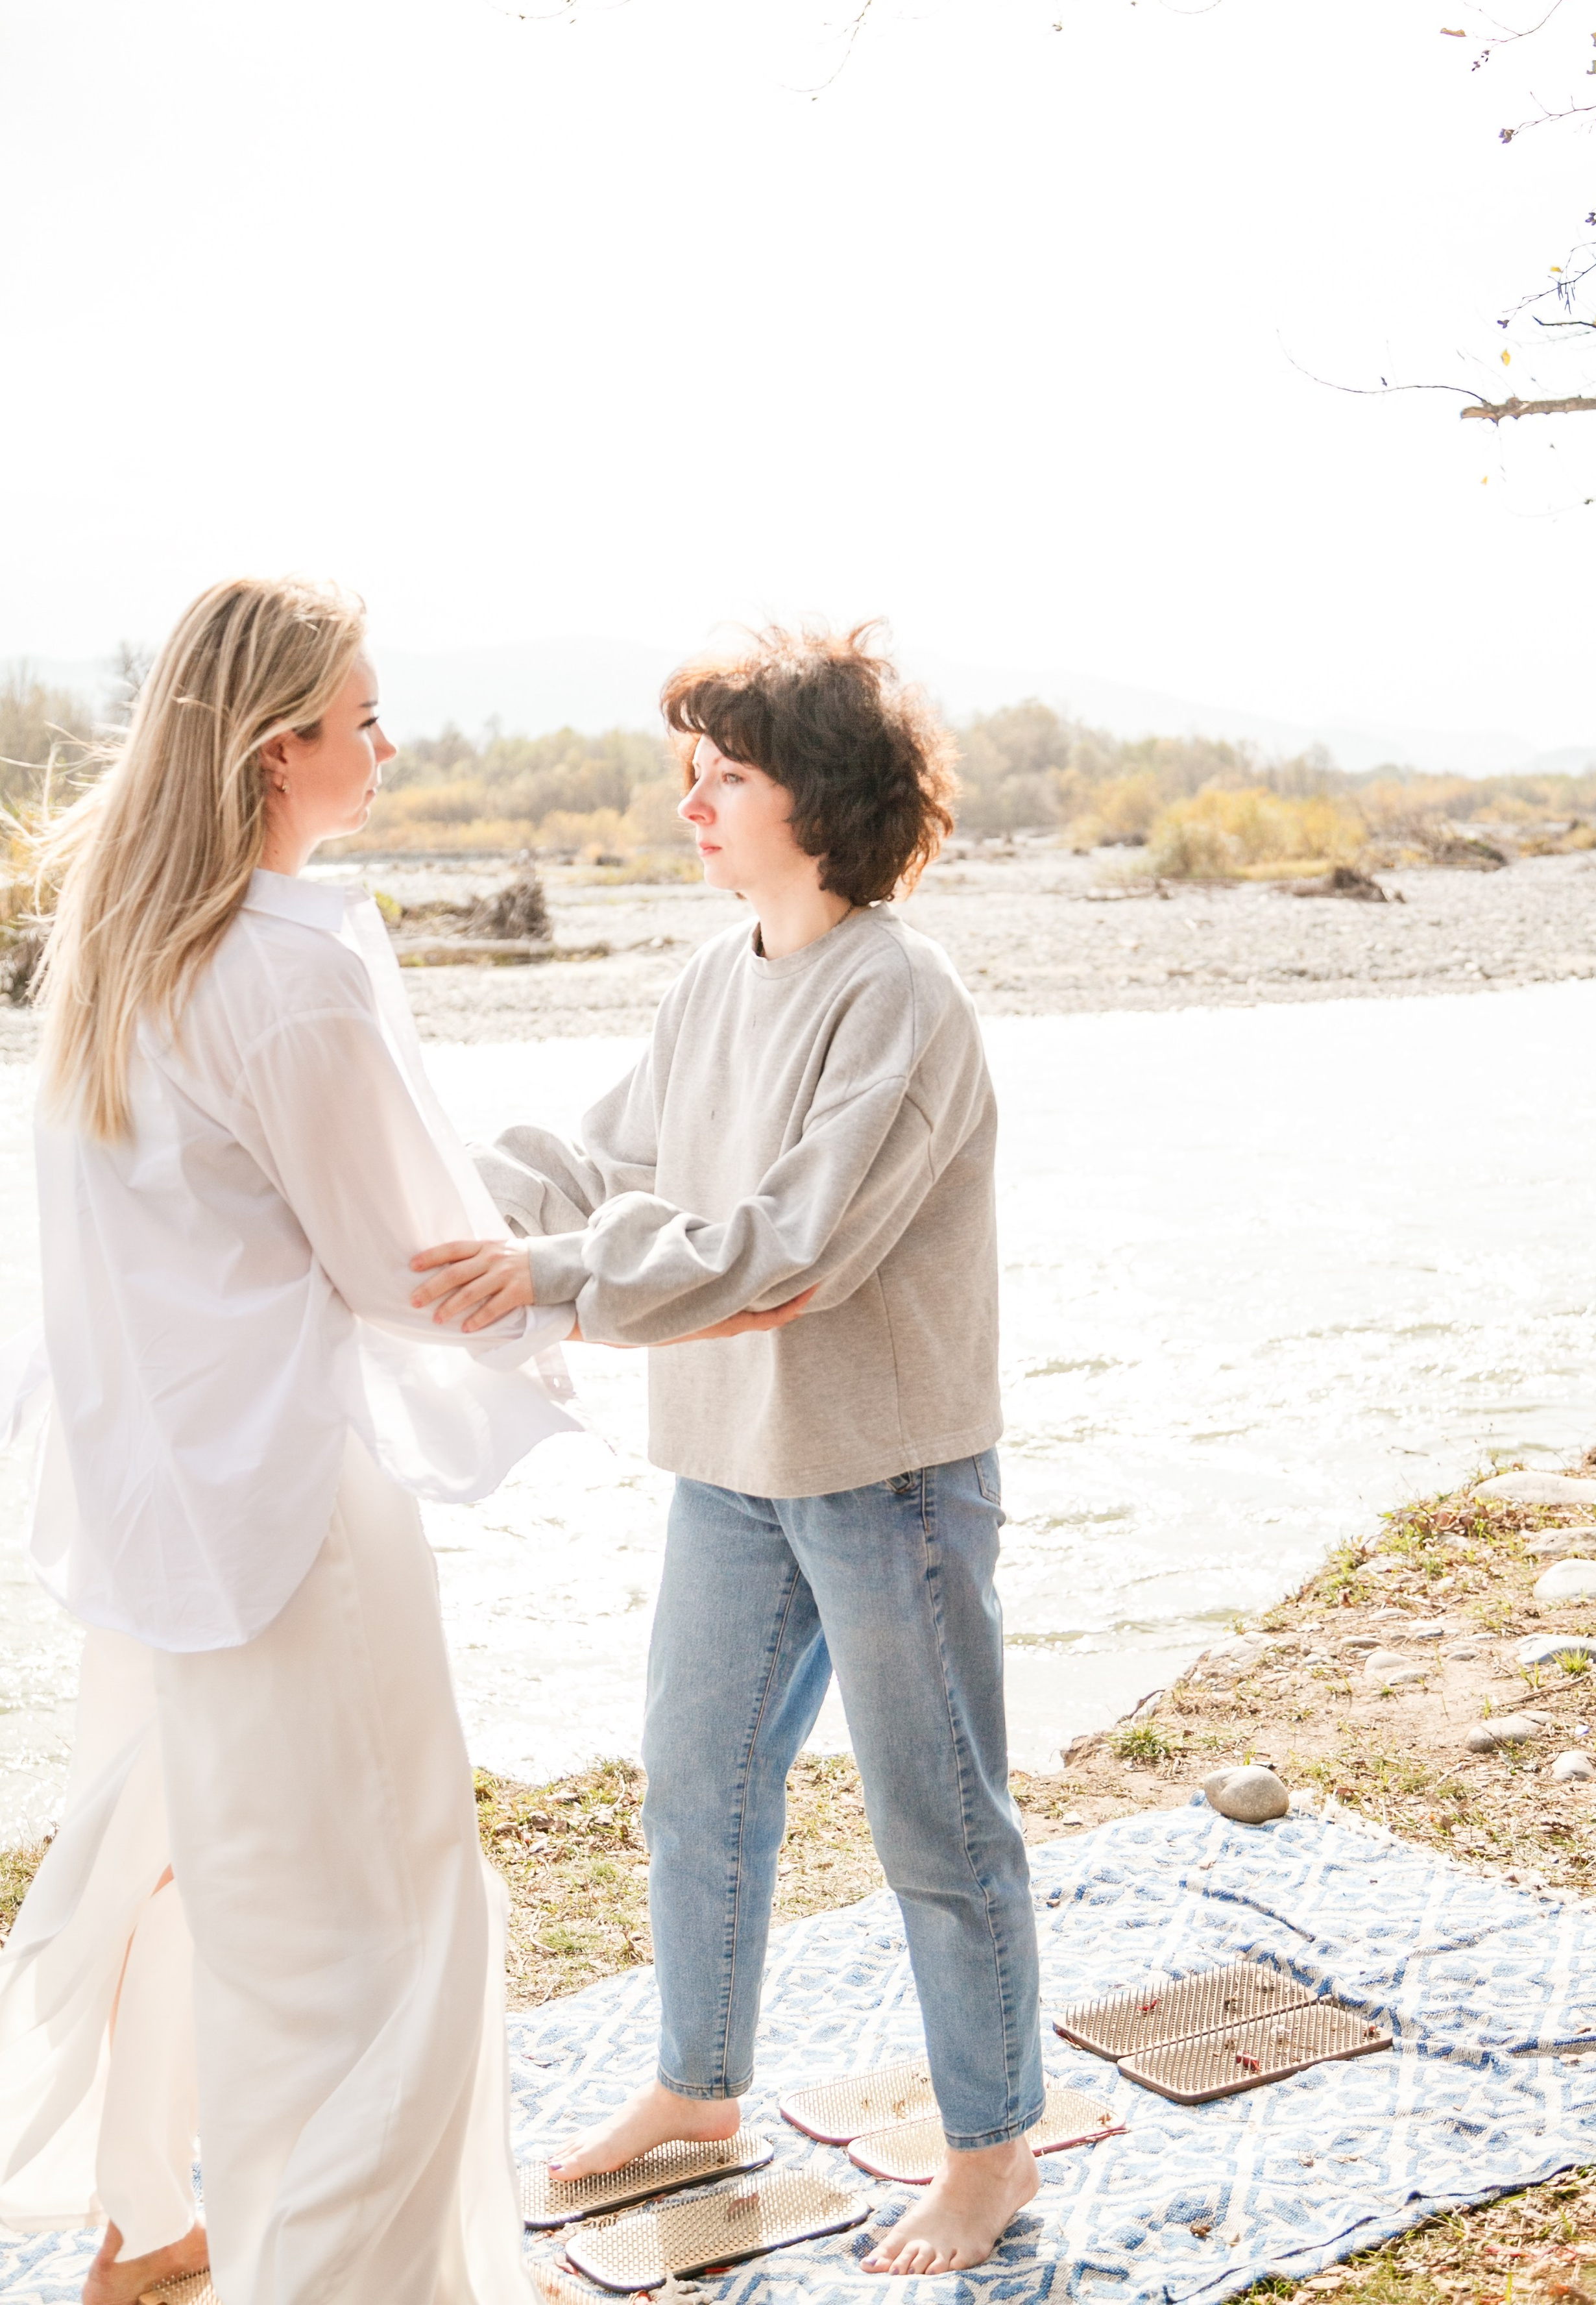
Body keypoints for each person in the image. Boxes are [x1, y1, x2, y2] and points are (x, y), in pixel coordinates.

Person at [0, 576, 803, 2305]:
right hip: (283, 1513)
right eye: (365, 718)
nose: (388, 744)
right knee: (386, 1942)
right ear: (280, 747)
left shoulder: (120, 942)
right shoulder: (285, 961)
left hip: (147, 1505)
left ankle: (150, 2234)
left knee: (211, 1884)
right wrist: (675, 1298)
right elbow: (411, 1266)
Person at [410, 624, 1045, 2281]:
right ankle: (699, 2089)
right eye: (688, 768)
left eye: (730, 771)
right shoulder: (715, 977)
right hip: (730, 1466)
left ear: (821, 798)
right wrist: (415, 1192)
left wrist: (547, 1279)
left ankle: (990, 2151)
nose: (691, 797)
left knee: (937, 1822)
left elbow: (789, 1249)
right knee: (697, 1791)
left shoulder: (898, 994)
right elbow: (597, 1152)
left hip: (887, 1468)